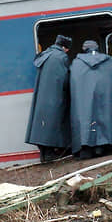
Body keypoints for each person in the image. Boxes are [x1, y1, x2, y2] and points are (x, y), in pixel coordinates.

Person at [69, 40, 112, 159]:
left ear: (84, 49)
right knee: (105, 115)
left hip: (83, 98)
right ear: (97, 48)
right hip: (104, 95)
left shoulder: (77, 64)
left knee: (85, 119)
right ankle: (102, 147)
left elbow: (72, 81)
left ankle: (86, 148)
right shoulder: (109, 61)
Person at [25, 34, 72, 162]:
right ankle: (50, 154)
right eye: (67, 48)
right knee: (53, 123)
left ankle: (44, 155)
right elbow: (65, 79)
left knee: (42, 125)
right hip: (54, 96)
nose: (68, 51)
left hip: (41, 97)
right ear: (64, 47)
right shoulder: (61, 57)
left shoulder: (45, 54)